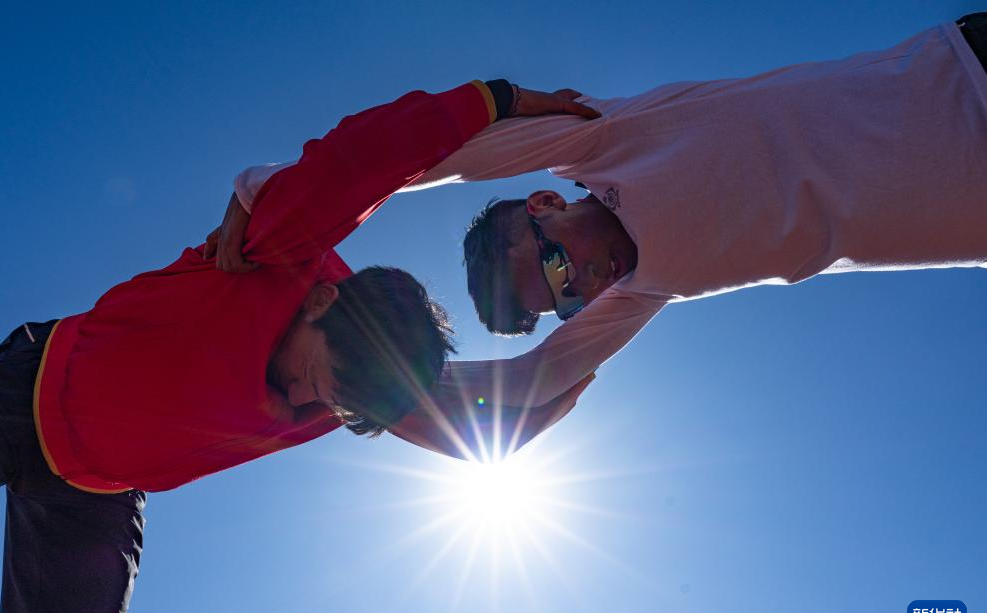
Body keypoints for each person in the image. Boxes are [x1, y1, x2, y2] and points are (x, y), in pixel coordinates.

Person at [0, 79, 598, 613]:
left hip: (94, 492)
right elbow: (364, 158)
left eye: (325, 401)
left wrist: (609, 321)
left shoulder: (353, 393)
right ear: (322, 302)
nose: (298, 403)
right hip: (25, 391)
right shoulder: (282, 250)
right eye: (310, 376)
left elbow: (492, 428)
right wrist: (499, 98)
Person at [226, 14, 987, 459]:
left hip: (965, 76)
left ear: (545, 204)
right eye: (567, 303)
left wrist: (263, 192)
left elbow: (417, 157)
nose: (586, 289)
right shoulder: (642, 289)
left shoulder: (607, 139)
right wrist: (356, 382)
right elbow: (529, 382)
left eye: (559, 268)